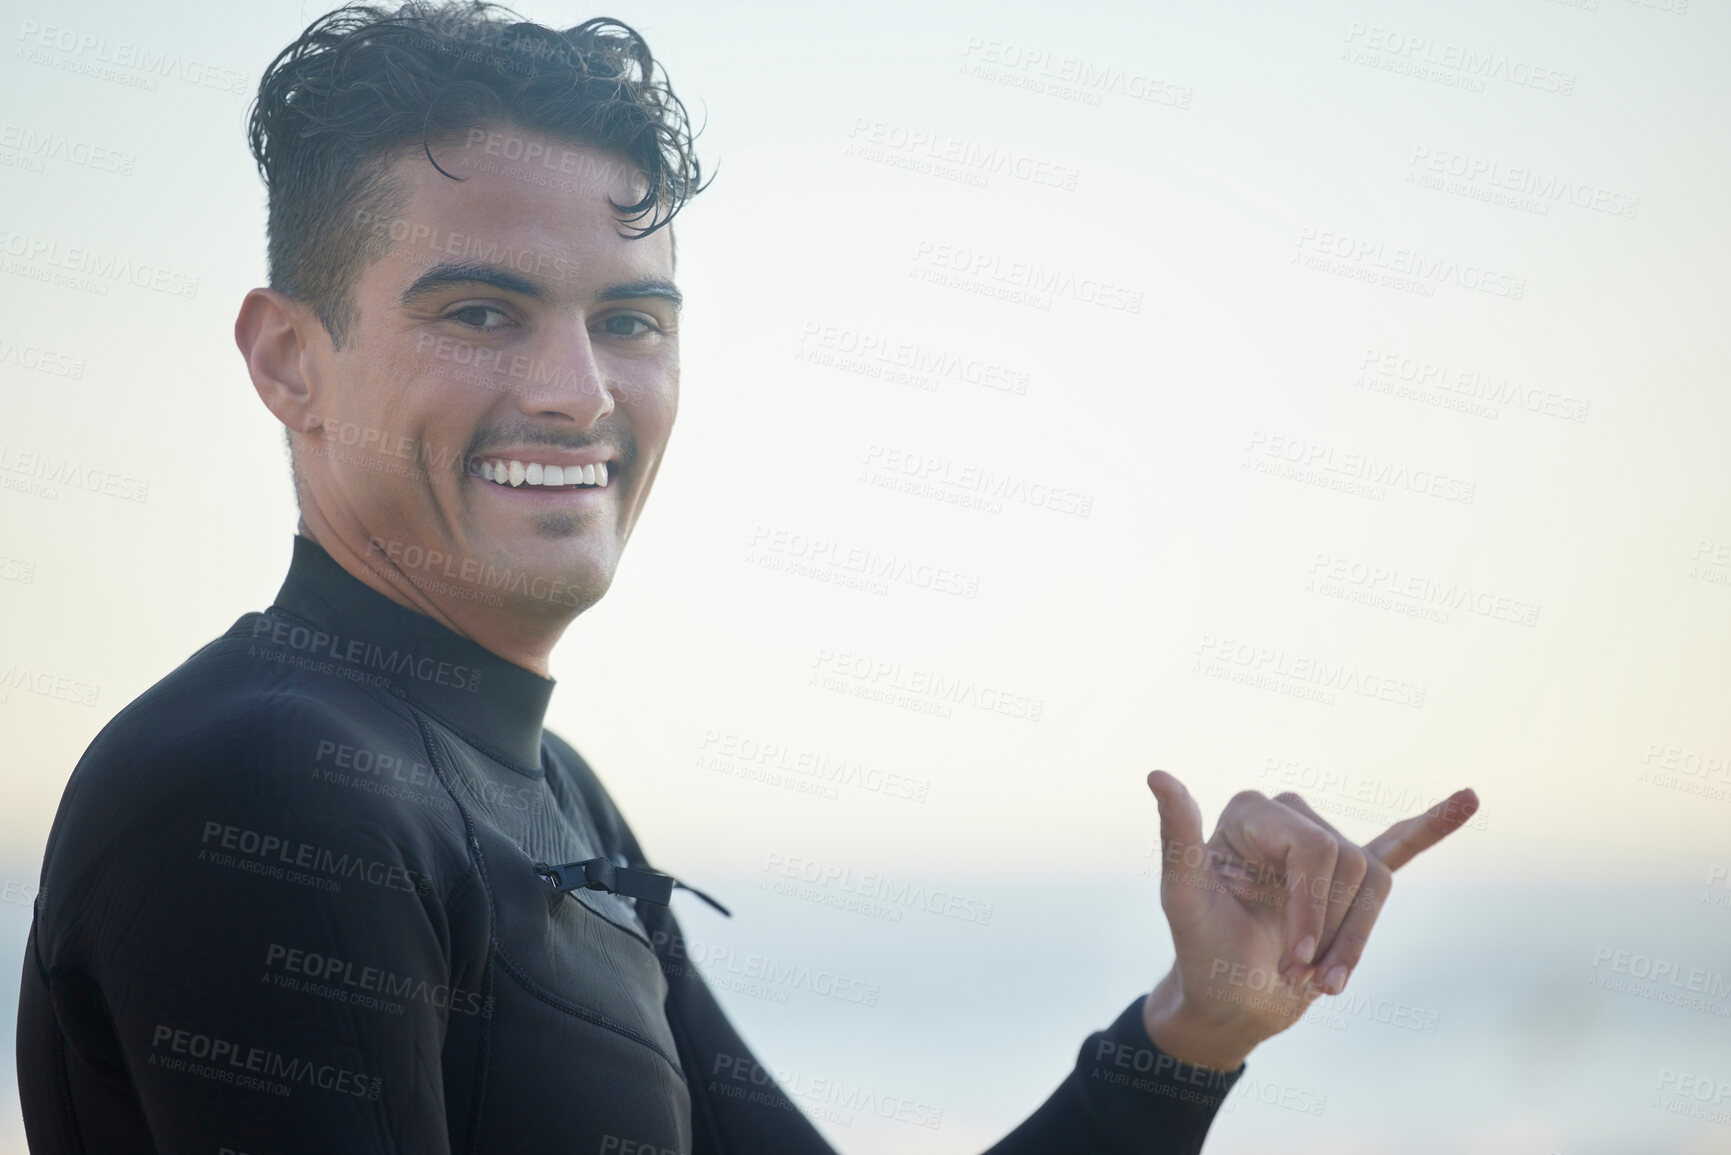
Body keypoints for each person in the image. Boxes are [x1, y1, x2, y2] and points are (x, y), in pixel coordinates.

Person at [15, 3, 1478, 1151]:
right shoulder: (262, 787)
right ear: (290, 359)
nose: (579, 392)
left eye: (632, 321)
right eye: (482, 310)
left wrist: (1191, 1032)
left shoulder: (546, 794)